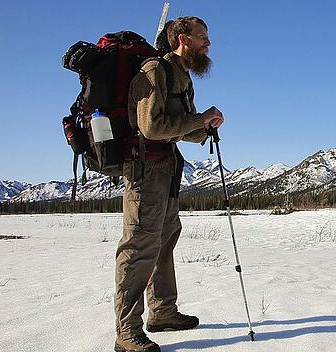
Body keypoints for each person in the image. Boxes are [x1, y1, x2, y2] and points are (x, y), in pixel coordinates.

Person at [114, 16, 224, 352]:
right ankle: (126, 332)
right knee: (139, 247)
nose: (208, 43)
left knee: (164, 238)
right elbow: (151, 127)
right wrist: (199, 119)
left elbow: (178, 128)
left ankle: (161, 311)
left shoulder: (182, 76)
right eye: (202, 36)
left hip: (167, 169)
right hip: (145, 170)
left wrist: (205, 127)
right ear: (182, 38)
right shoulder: (154, 71)